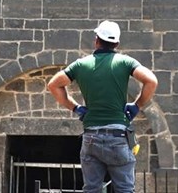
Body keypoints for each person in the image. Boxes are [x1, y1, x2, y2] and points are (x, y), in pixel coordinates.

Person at [47, 20, 158, 193]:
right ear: (117, 43)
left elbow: (53, 85)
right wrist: (137, 106)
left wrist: (75, 107)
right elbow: (151, 81)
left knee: (91, 189)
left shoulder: (81, 64)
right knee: (124, 189)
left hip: (91, 136)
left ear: (96, 40)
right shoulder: (125, 62)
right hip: (118, 136)